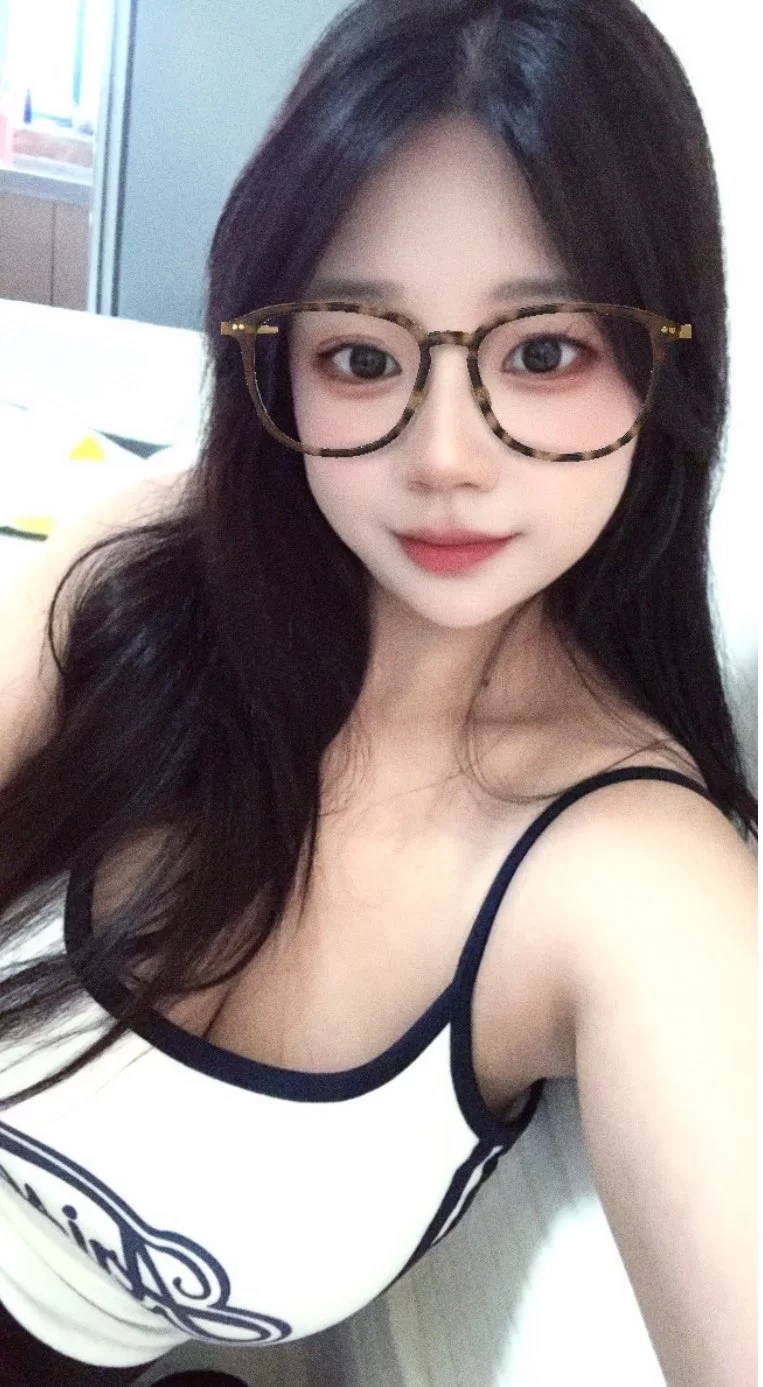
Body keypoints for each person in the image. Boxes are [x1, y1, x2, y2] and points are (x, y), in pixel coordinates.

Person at [0, 0, 756, 1384]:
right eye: (360, 354)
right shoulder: (146, 563)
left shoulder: (636, 881)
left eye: (543, 351)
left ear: (668, 360)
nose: (445, 455)